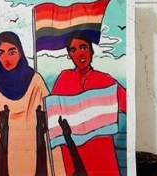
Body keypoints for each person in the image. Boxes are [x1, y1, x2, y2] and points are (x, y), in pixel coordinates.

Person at [0, 32, 65, 176]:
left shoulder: (35, 80)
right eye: (1, 53)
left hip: (30, 149)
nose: (6, 59)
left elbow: (48, 119)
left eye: (12, 52)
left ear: (20, 52)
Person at [50, 35, 127, 176]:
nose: (79, 54)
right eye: (73, 50)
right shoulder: (64, 79)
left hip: (100, 156)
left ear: (91, 50)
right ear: (69, 55)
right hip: (72, 156)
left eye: (83, 47)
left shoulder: (106, 81)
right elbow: (52, 115)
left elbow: (129, 106)